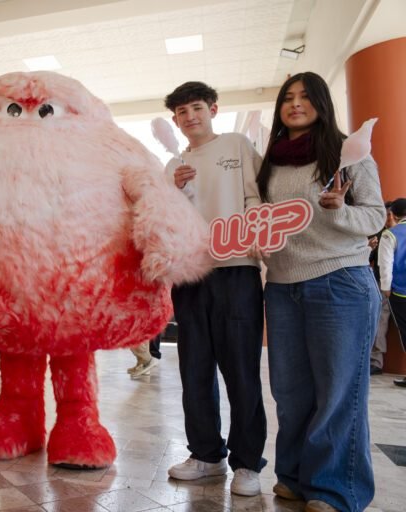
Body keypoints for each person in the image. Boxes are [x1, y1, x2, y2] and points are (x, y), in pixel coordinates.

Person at [255, 72, 384, 512]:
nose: (295, 104)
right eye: (287, 97)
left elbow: (374, 218)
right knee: (290, 393)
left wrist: (341, 211)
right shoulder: (269, 161)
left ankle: (334, 490)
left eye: (305, 97)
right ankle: (293, 476)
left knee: (338, 392)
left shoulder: (348, 154)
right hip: (282, 285)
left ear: (322, 103)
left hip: (340, 282)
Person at [162, 81, 267, 497]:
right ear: (175, 120)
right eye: (182, 111)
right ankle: (205, 454)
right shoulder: (171, 165)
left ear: (214, 109)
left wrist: (256, 243)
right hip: (189, 276)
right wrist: (171, 191)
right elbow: (161, 220)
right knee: (195, 370)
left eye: (197, 108)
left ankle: (247, 462)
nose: (190, 117)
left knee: (241, 370)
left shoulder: (237, 146)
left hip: (236, 270)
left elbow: (258, 199)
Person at [378, 198, 406, 387]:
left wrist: (385, 288)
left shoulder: (390, 235)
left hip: (401, 292)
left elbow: (385, 264)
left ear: (393, 215)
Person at [369, 201, 396, 375]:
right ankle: (375, 361)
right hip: (384, 285)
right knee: (380, 321)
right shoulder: (380, 233)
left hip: (390, 285)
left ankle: (376, 361)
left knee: (380, 321)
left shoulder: (391, 234)